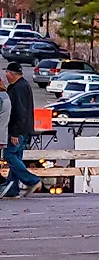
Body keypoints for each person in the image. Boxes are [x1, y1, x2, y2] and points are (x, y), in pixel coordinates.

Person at [2, 63, 36, 199]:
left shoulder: (19, 88)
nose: (6, 76)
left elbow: (20, 112)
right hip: (24, 130)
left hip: (18, 132)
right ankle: (12, 189)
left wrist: (15, 133)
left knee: (9, 155)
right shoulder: (22, 86)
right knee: (16, 159)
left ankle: (32, 180)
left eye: (7, 74)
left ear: (11, 73)